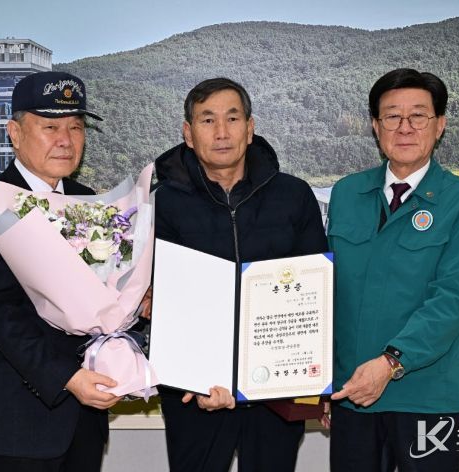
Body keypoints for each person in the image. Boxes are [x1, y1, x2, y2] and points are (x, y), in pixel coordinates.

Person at [153, 77, 328, 472]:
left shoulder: (294, 195)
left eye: (232, 119)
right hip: (194, 393)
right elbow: (162, 301)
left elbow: (317, 296)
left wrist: (313, 383)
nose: (221, 132)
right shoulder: (162, 204)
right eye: (207, 120)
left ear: (250, 129)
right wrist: (199, 377)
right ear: (188, 133)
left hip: (277, 387)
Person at [326, 68, 459, 471]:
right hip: (353, 391)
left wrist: (391, 362)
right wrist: (320, 381)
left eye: (418, 116)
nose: (405, 127)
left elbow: (455, 299)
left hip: (427, 396)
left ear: (440, 125)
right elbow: (325, 290)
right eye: (392, 116)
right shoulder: (346, 193)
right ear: (375, 126)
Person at [0, 71, 121, 472]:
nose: (65, 139)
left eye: (75, 127)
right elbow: (0, 313)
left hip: (84, 420)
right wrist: (68, 377)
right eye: (50, 127)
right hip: (16, 421)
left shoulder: (92, 203)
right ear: (15, 133)